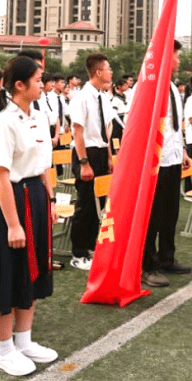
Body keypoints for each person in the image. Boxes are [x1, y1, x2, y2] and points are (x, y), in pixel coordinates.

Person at [0, 56, 57, 376]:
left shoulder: (39, 116)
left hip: (34, 196)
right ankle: (5, 349)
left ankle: (24, 340)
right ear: (19, 85)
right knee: (6, 271)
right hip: (12, 203)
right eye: (37, 80)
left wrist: (49, 201)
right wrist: (14, 224)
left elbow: (44, 167)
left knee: (31, 271)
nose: (42, 84)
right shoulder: (3, 123)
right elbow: (2, 177)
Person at [143, 42, 192, 287]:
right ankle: (148, 265)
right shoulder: (150, 88)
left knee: (170, 213)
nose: (179, 60)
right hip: (156, 161)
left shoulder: (173, 88)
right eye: (177, 56)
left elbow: (176, 126)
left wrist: (183, 151)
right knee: (152, 216)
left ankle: (167, 258)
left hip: (173, 158)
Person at [68, 54, 117, 270]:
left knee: (100, 202)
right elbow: (78, 131)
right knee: (85, 203)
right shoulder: (81, 97)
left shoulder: (103, 97)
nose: (111, 72)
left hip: (100, 153)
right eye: (108, 68)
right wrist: (84, 162)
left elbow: (106, 131)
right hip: (85, 152)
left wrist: (109, 157)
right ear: (98, 72)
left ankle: (91, 247)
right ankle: (78, 253)